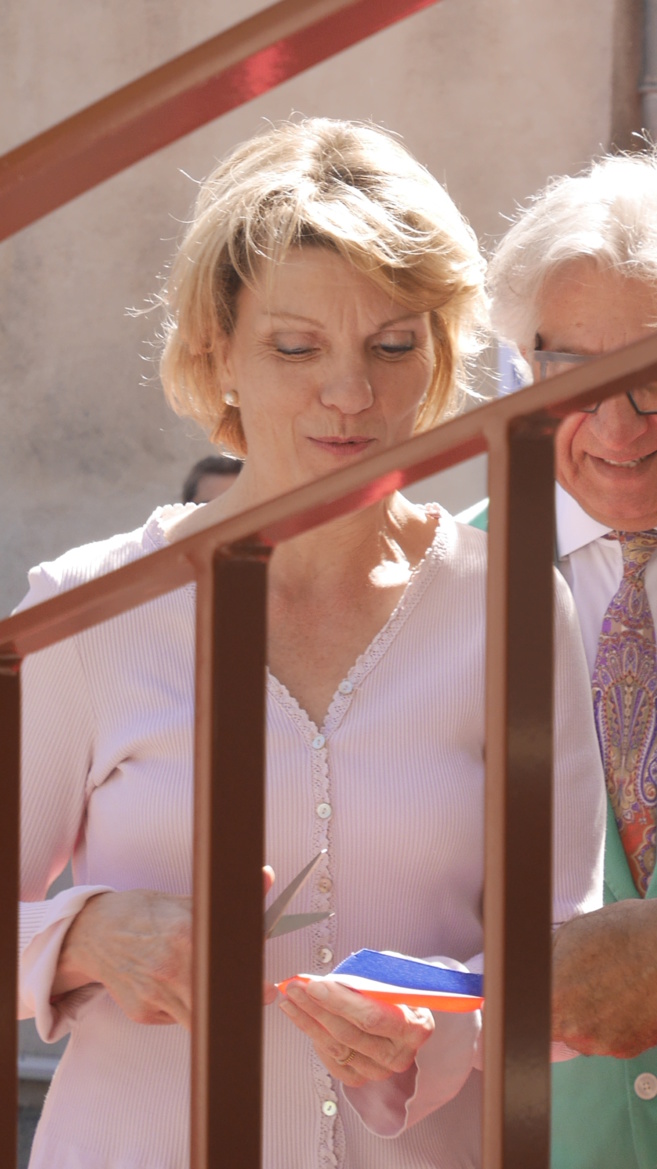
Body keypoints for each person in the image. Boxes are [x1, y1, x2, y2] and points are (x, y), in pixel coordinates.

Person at [17, 118, 605, 1169]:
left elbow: (567, 949)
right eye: (297, 347)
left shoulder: (510, 605)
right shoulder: (88, 609)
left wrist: (445, 1020)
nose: (353, 394)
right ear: (217, 352)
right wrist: (85, 934)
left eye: (393, 345)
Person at [486, 150, 657, 1169]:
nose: (620, 427)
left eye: (651, 377)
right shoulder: (440, 581)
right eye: (576, 378)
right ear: (523, 370)